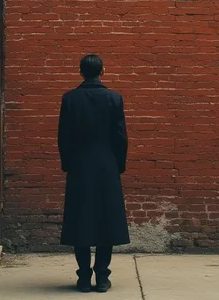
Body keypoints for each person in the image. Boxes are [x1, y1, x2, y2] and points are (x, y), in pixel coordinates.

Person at [58, 54, 130, 293]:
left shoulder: (69, 99)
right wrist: (118, 165)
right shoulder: (114, 98)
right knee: (105, 220)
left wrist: (68, 164)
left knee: (81, 219)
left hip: (80, 166)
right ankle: (101, 277)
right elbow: (120, 137)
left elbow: (64, 137)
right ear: (103, 71)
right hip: (106, 165)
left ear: (81, 72)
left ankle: (83, 278)